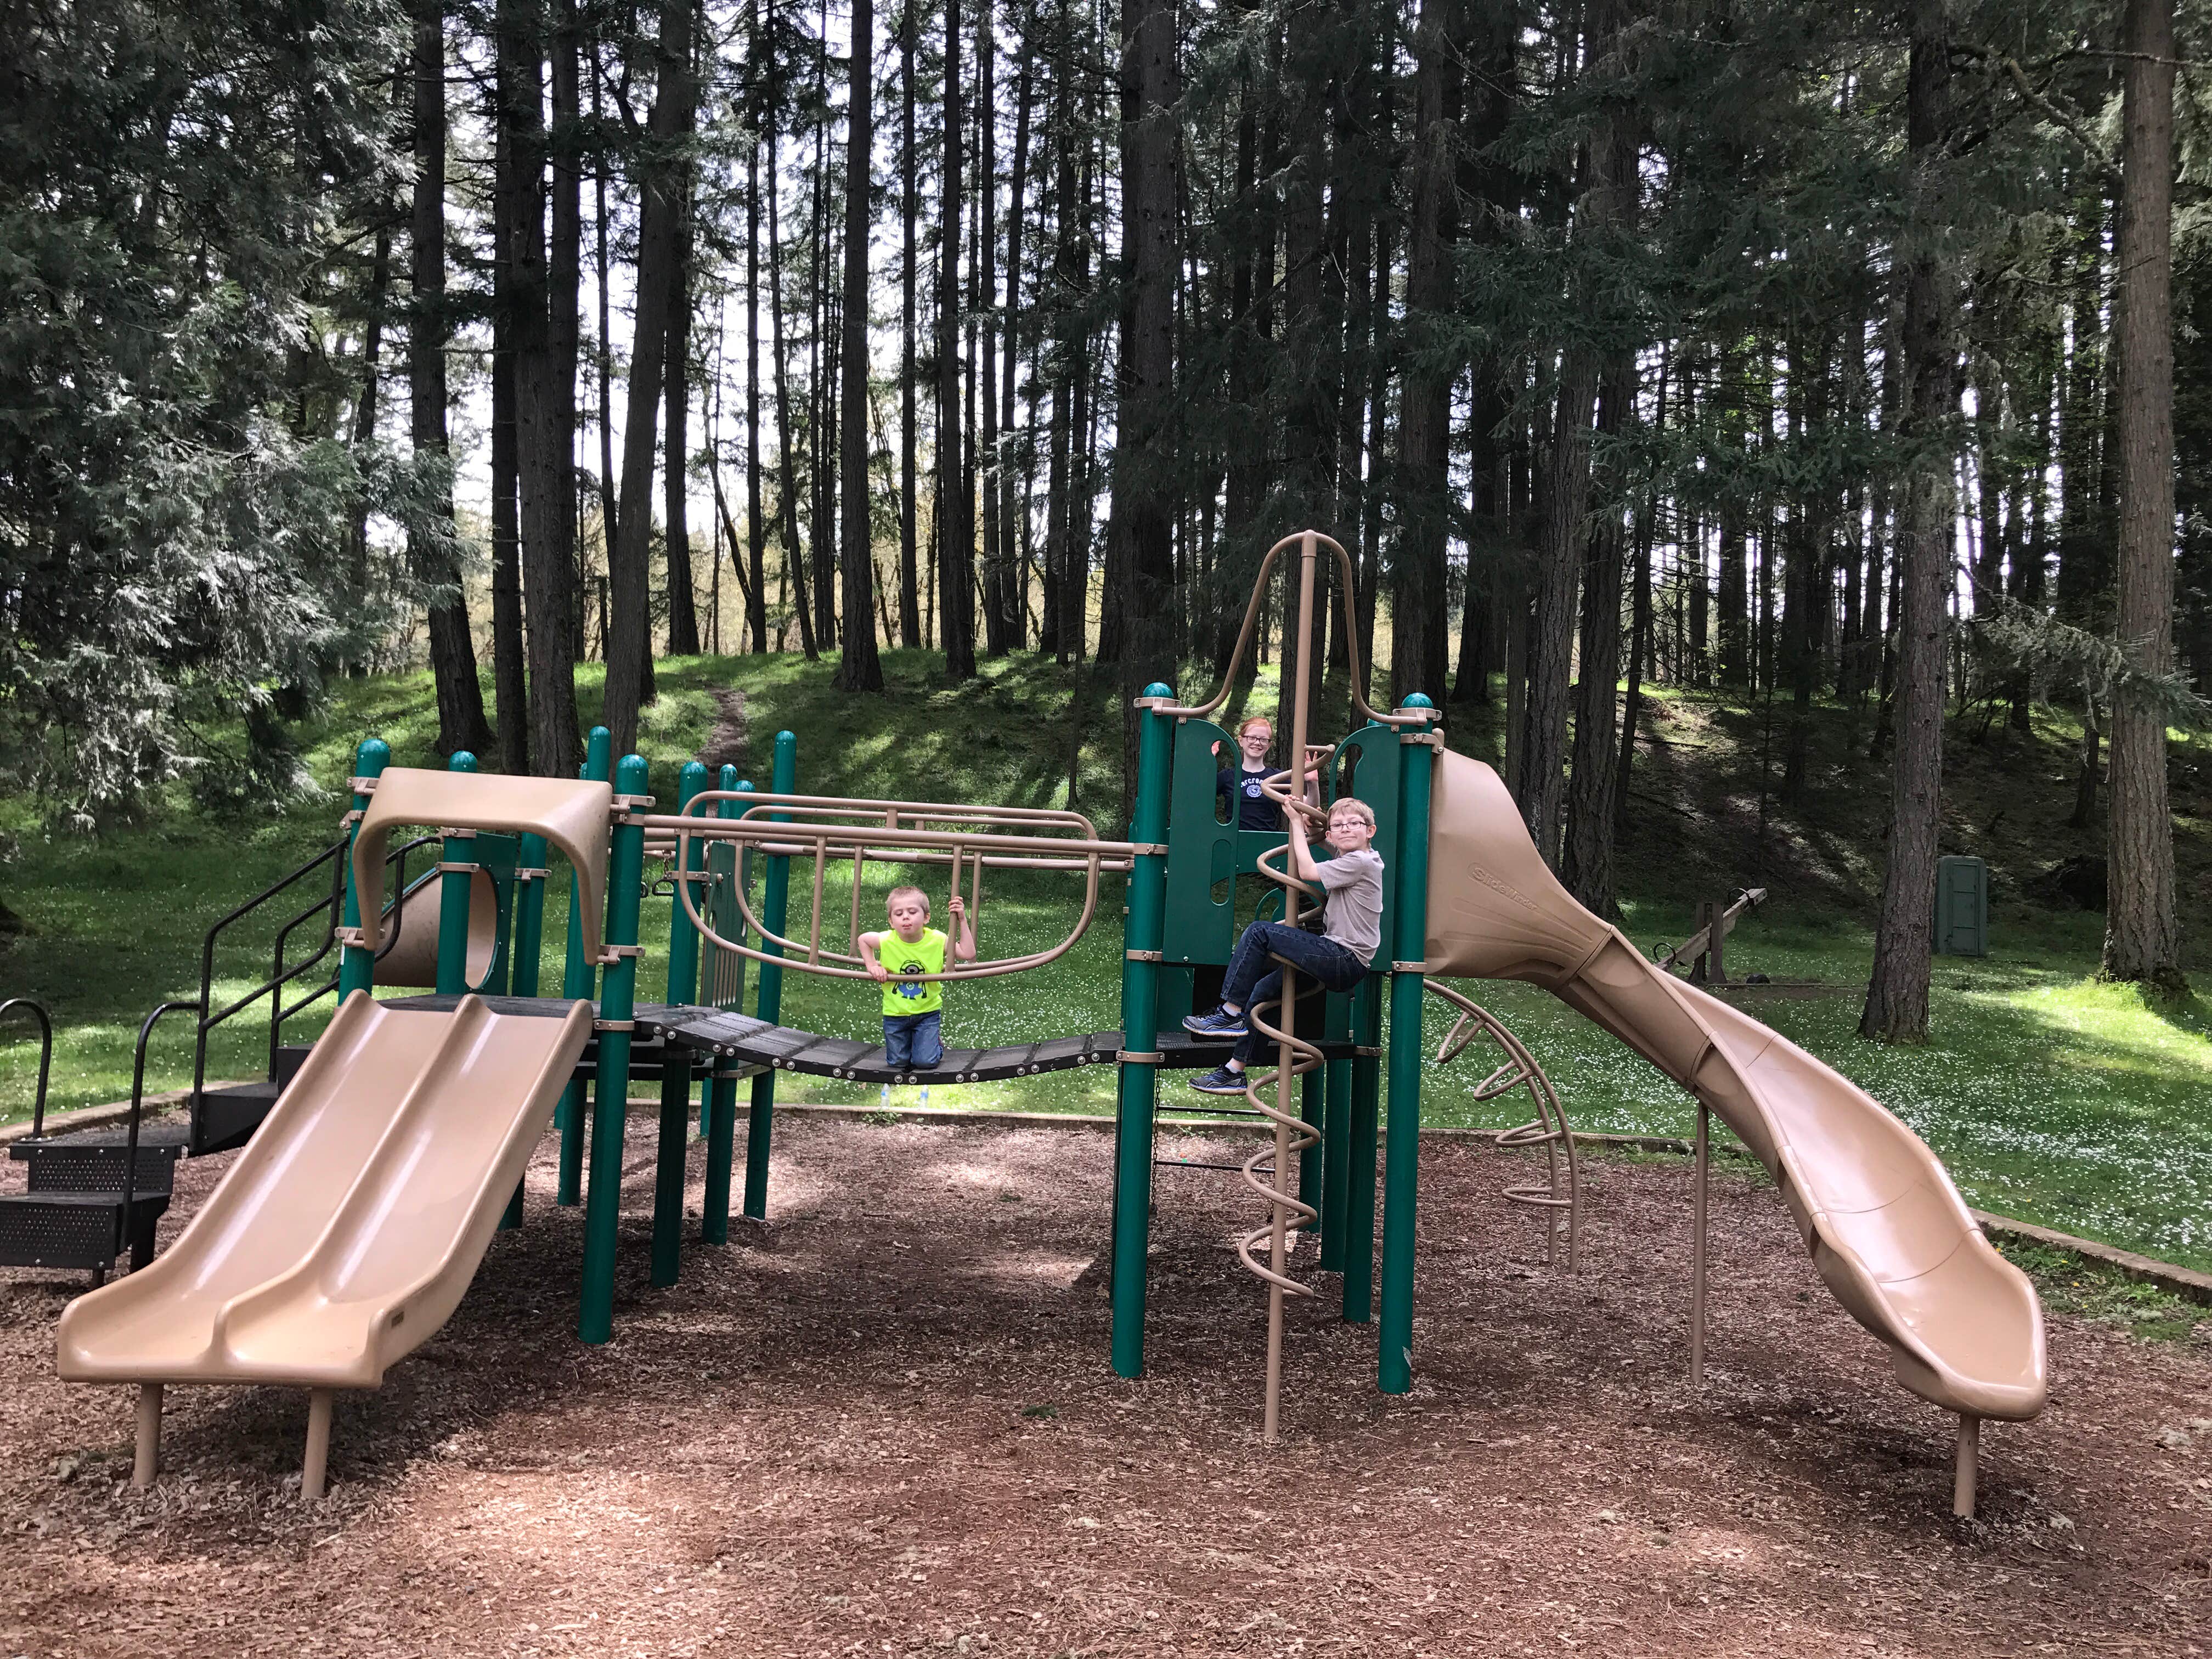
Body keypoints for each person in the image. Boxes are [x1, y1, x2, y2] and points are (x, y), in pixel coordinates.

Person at [1181, 798, 1384, 1093]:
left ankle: (1228, 1013)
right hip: (1340, 958)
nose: (1345, 829)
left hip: (1343, 957)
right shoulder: (1356, 857)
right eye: (1338, 825)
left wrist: (1295, 823)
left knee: (1259, 933)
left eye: (1354, 824)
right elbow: (1321, 831)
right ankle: (1234, 1071)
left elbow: (1309, 873)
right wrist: (1311, 786)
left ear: (1370, 831)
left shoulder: (1360, 862)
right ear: (1331, 834)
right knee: (1263, 991)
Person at [859, 886, 978, 1070]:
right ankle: (920, 1045)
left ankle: (934, 1045)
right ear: (891, 922)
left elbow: (968, 953)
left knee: (925, 1062)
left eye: (912, 912)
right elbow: (863, 939)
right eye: (899, 914)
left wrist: (962, 919)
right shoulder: (887, 940)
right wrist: (873, 966)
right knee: (897, 1063)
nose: (905, 917)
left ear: (926, 918)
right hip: (895, 1013)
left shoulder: (937, 939)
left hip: (927, 1012)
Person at [1214, 716, 1284, 832]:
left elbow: (1306, 805)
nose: (1257, 743)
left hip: (1269, 845)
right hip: (1233, 842)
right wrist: (1206, 762)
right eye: (1252, 738)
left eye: (1263, 739)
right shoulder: (1228, 776)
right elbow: (1198, 795)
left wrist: (1313, 783)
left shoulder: (1277, 778)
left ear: (1269, 745)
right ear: (1241, 741)